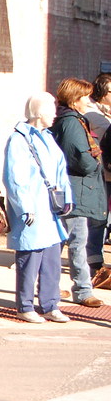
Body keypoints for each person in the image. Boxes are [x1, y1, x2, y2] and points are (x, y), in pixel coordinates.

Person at [5, 93, 74, 323]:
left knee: (52, 260)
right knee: (29, 258)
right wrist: (25, 207)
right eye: (51, 109)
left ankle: (50, 304)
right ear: (38, 112)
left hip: (50, 211)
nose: (55, 113)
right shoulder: (19, 139)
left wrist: (67, 197)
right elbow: (15, 177)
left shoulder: (48, 137)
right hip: (33, 209)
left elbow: (60, 169)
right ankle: (25, 306)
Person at [50, 78, 106, 308]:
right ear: (75, 99)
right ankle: (83, 289)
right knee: (77, 242)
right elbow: (80, 158)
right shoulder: (72, 122)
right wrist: (95, 164)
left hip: (74, 189)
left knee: (61, 241)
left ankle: (50, 285)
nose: (88, 100)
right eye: (84, 96)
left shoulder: (68, 119)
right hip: (76, 191)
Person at [85, 72, 111, 288]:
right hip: (102, 174)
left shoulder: (106, 114)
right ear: (102, 93)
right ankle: (94, 261)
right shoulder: (93, 115)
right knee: (98, 219)